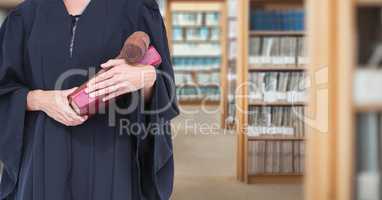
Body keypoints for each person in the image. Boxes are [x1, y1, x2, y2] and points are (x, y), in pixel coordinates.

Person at [0, 0, 179, 199]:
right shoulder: (24, 17)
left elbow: (162, 93)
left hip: (112, 155)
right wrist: (40, 99)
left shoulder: (138, 9)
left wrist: (146, 78)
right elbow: (5, 89)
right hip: (42, 156)